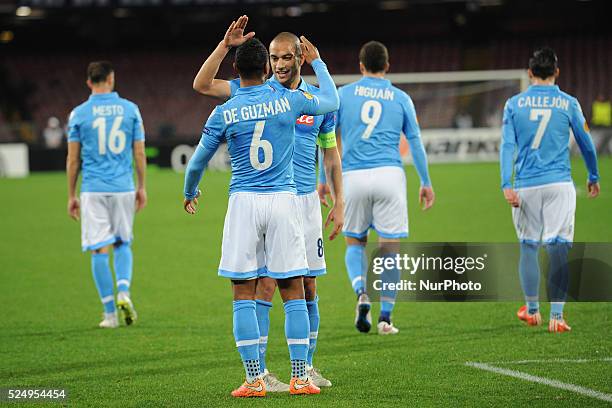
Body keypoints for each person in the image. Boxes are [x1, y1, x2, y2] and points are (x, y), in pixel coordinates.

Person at [192, 16, 343, 390]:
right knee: (264, 286)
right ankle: (261, 372)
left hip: (304, 201)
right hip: (276, 200)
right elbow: (203, 85)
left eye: (287, 57)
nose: (279, 63)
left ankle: (305, 368)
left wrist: (338, 201)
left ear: (299, 59)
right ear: (267, 63)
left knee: (307, 287)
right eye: (274, 57)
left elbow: (332, 153)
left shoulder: (308, 100)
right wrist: (225, 46)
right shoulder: (261, 94)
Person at [319, 41, 434, 335]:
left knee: (355, 243)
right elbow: (416, 142)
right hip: (390, 176)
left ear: (360, 66)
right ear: (387, 66)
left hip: (353, 177)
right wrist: (425, 181)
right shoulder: (401, 98)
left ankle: (361, 293)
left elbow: (328, 139)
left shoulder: (343, 95)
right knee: (389, 249)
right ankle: (385, 318)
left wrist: (323, 181)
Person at [500, 47, 600, 333]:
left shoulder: (513, 104)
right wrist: (593, 175)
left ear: (529, 73)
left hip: (526, 185)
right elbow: (586, 143)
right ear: (557, 72)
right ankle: (557, 317)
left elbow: (507, 146)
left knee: (528, 246)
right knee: (557, 248)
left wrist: (506, 183)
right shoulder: (568, 103)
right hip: (559, 184)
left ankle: (532, 311)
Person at [66, 61, 147, 329]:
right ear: (111, 79)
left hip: (93, 189)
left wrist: (71, 195)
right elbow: (138, 153)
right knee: (123, 242)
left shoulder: (78, 114)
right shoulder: (130, 110)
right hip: (123, 186)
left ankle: (110, 314)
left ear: (89, 82)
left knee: (99, 248)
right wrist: (141, 186)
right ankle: (124, 291)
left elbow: (73, 160)